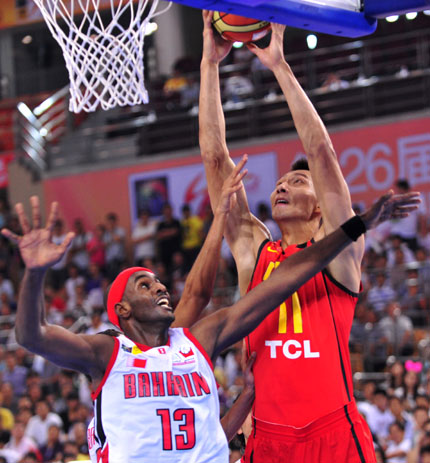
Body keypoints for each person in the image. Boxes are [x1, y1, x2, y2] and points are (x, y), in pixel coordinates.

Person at [1, 161, 418, 461]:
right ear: (122, 310)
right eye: (145, 285)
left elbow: (289, 276)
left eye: (159, 281)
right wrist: (35, 274)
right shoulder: (107, 354)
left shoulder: (196, 342)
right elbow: (32, 336)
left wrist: (358, 225)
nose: (160, 286)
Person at [198, 12, 420, 463]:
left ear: (320, 206)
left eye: (297, 183)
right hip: (268, 437)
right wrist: (209, 66)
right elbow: (216, 159)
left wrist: (279, 66)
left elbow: (321, 152)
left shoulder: (341, 252)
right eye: (280, 183)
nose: (282, 186)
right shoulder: (256, 251)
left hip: (334, 432)